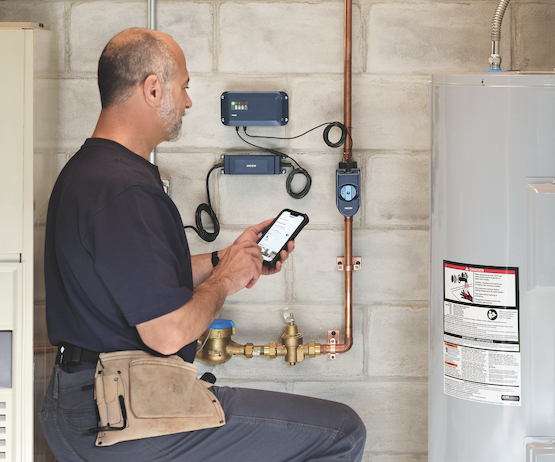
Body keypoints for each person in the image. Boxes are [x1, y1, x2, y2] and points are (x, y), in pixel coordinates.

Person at [39, 27, 366, 461]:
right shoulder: (124, 190)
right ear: (153, 89)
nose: (189, 101)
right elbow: (168, 333)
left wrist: (225, 258)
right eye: (184, 86)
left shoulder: (90, 170)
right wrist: (225, 280)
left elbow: (136, 279)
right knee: (342, 432)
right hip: (123, 412)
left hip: (85, 404)